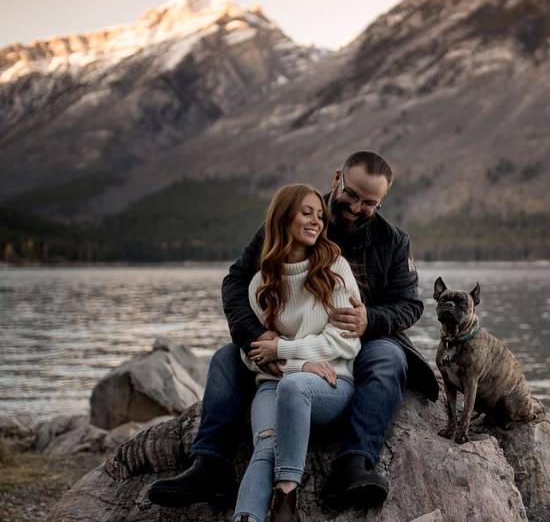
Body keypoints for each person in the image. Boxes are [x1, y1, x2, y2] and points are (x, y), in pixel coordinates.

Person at [148, 150, 439, 511]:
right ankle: (209, 464)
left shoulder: (394, 241)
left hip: (358, 341)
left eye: (370, 203)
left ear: (381, 201)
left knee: (389, 358)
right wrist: (256, 334)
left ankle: (354, 463)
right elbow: (238, 280)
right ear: (337, 179)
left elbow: (410, 305)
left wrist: (371, 320)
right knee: (226, 357)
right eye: (352, 195)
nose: (355, 207)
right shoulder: (297, 215)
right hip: (289, 340)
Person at [231, 183, 361, 522]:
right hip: (273, 385)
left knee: (294, 386)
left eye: (320, 215)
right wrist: (300, 361)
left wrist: (283, 350)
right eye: (307, 213)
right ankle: (246, 517)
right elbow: (251, 354)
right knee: (266, 441)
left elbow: (345, 341)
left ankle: (287, 499)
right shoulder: (260, 281)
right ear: (284, 217)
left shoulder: (335, 268)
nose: (316, 221)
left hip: (330, 385)